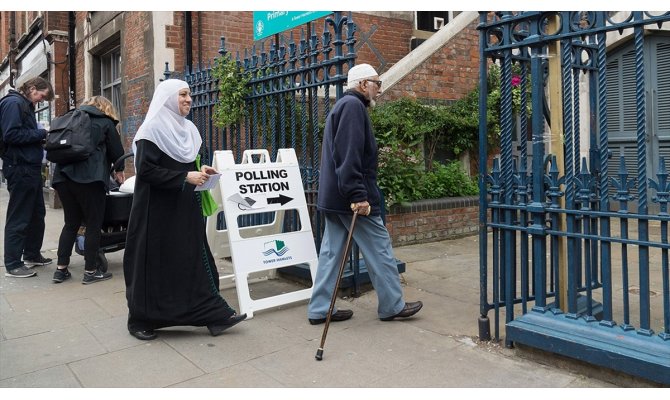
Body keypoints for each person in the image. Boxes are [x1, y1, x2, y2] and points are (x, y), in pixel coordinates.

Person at [123, 79, 246, 341]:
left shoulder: (188, 129)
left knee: (192, 259)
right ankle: (141, 320)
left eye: (190, 95)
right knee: (153, 264)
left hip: (184, 208)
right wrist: (184, 178)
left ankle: (214, 315)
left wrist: (201, 171)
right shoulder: (151, 130)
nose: (189, 99)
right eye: (183, 95)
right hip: (155, 212)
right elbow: (146, 171)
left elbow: (186, 164)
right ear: (168, 98)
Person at [307, 63, 423, 324]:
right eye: (376, 83)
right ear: (362, 85)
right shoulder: (352, 107)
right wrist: (359, 196)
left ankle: (319, 309)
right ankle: (393, 305)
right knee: (380, 246)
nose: (379, 90)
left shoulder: (344, 107)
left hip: (335, 198)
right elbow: (349, 158)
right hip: (352, 199)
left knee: (331, 253)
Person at [51, 96, 126, 284]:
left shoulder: (70, 117)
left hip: (62, 178)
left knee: (71, 223)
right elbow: (117, 152)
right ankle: (91, 271)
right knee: (94, 224)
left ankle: (61, 270)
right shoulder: (105, 122)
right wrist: (120, 171)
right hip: (90, 180)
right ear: (106, 108)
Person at [0, 77, 54, 278]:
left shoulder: (23, 105)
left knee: (36, 214)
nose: (40, 100)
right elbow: (11, 135)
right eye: (40, 96)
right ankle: (13, 264)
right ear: (31, 88)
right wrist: (40, 134)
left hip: (29, 168)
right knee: (19, 217)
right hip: (19, 168)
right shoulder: (13, 104)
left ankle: (31, 254)